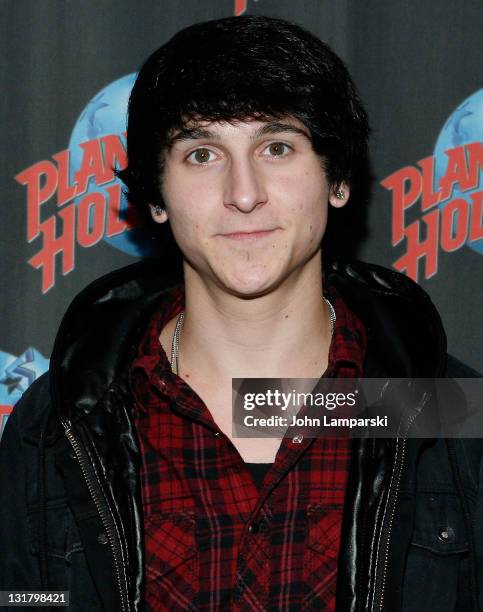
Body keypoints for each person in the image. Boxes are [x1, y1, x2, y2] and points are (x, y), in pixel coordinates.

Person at [0, 15, 481, 612]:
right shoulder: (58, 421)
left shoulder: (448, 409)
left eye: (276, 147)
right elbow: (23, 598)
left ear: (337, 179)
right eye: (202, 154)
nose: (244, 192)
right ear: (155, 195)